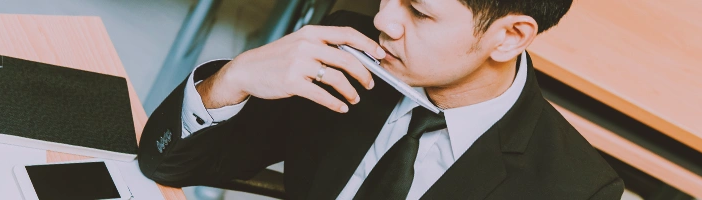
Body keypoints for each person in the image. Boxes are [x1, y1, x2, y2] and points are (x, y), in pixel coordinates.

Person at [138, 0, 623, 199]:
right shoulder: (347, 51)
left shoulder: (573, 189)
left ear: (510, 36)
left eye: (418, 11)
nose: (386, 19)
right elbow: (166, 166)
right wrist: (232, 79)